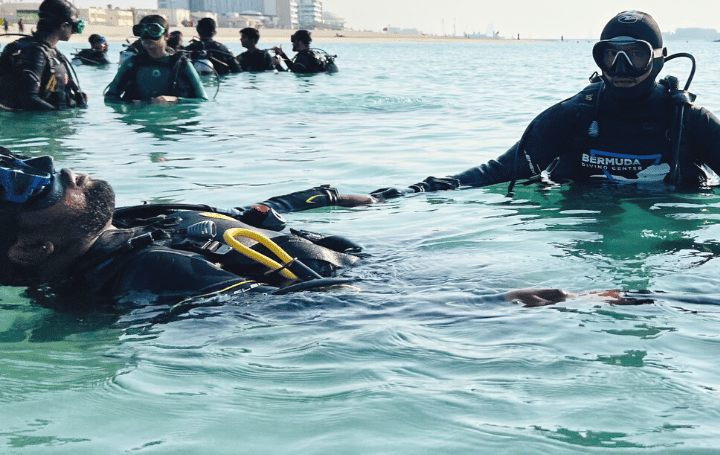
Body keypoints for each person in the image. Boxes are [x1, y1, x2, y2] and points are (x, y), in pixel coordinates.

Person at [0, 148, 583, 313]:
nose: (48, 169)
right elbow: (323, 310)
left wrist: (322, 197)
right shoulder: (142, 278)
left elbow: (244, 218)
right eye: (27, 187)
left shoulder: (128, 225)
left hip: (379, 260)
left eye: (18, 161)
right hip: (410, 294)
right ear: (31, 246)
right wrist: (487, 304)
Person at [376, 10, 720, 197]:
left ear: (659, 59)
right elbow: (504, 170)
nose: (623, 66)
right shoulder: (573, 115)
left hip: (669, 226)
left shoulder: (689, 121)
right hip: (584, 223)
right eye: (612, 54)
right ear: (600, 58)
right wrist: (420, 190)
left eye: (637, 55)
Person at [0, 0, 87, 111]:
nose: (75, 31)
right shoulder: (35, 52)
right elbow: (28, 98)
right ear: (64, 26)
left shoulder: (48, 50)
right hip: (33, 125)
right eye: (74, 26)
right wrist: (58, 116)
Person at [104, 16, 206, 104]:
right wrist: (131, 104)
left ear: (167, 36)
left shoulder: (181, 64)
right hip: (140, 121)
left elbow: (203, 100)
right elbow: (109, 98)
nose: (147, 40)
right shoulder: (132, 63)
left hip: (173, 123)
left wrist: (175, 100)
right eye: (142, 32)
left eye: (154, 31)